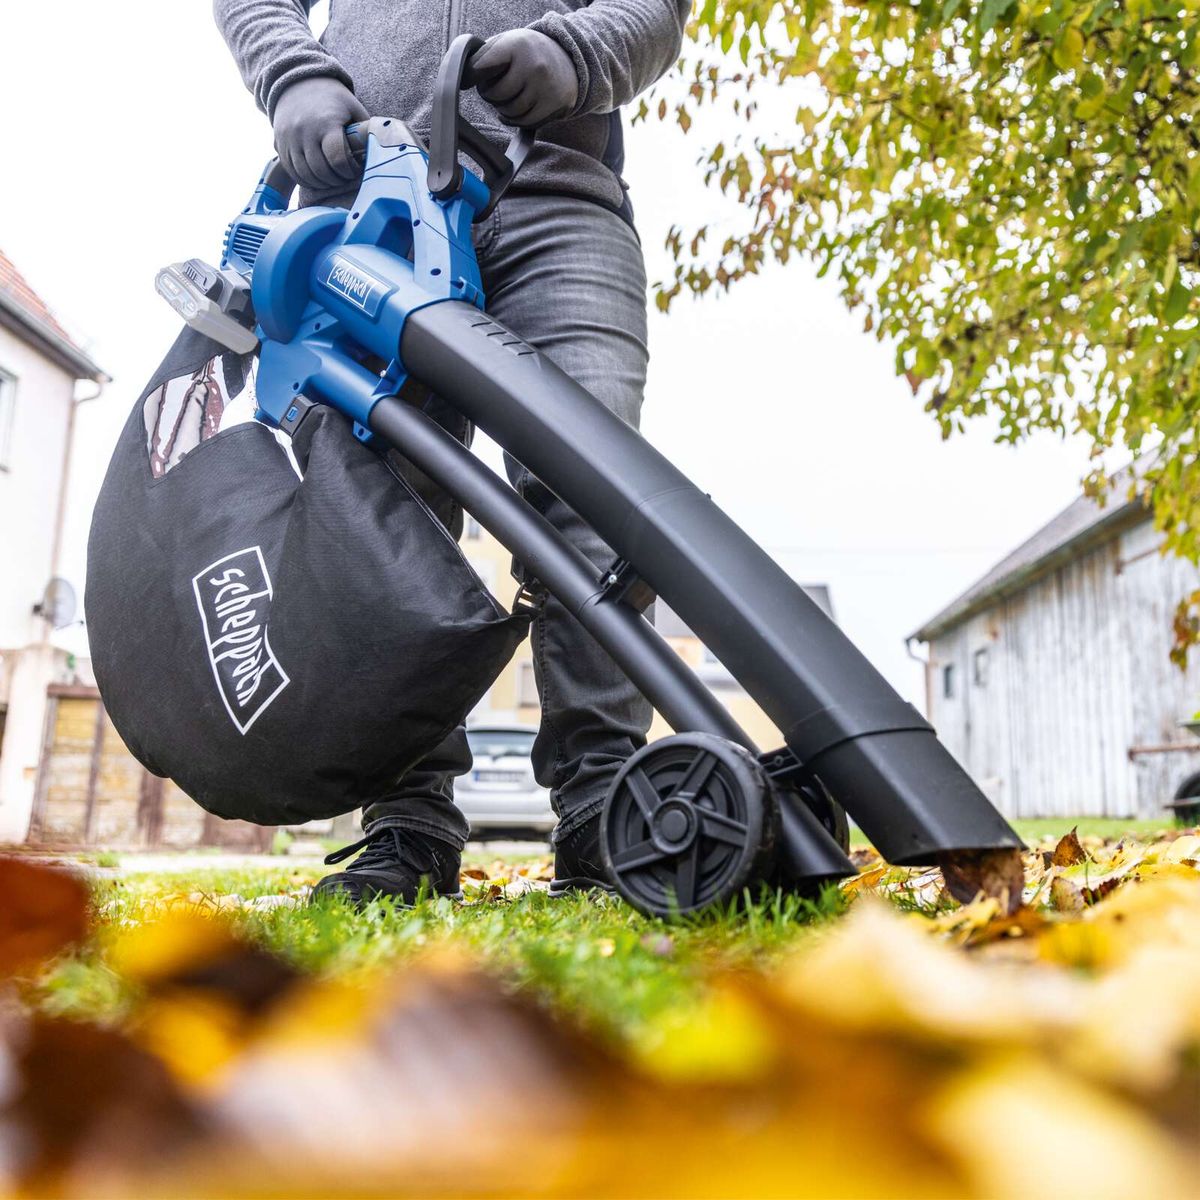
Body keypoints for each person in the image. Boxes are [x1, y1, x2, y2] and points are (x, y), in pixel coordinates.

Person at [213, 0, 688, 904]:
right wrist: (295, 75)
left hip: (559, 205)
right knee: (369, 504)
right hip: (364, 206)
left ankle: (603, 807)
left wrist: (575, 53)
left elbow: (657, 8)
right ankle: (406, 820)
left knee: (595, 487)